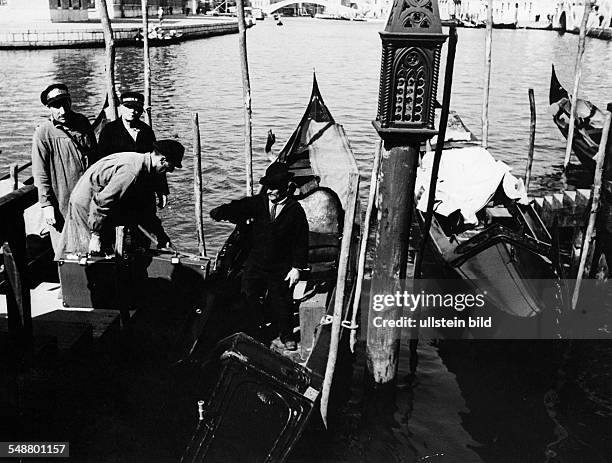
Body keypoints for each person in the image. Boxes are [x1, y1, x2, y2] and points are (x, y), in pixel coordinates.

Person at [210, 162, 309, 351]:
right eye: (268, 187)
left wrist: (297, 268)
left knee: (282, 301)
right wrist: (220, 212)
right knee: (248, 296)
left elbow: (300, 241)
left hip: (281, 266)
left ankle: (286, 334)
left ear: (286, 187)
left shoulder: (295, 210)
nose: (270, 191)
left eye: (275, 188)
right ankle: (253, 331)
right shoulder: (258, 202)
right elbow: (238, 207)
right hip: (256, 262)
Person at [57, 140, 184, 259]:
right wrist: (96, 234)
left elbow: (144, 209)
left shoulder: (143, 166)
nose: (168, 172)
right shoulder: (132, 172)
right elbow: (103, 201)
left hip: (98, 201)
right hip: (88, 203)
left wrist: (161, 236)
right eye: (169, 168)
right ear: (163, 160)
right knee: (92, 253)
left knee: (107, 249)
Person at [32, 83, 98, 255]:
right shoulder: (43, 133)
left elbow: (96, 159)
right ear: (49, 108)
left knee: (92, 245)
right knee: (66, 250)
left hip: (88, 198)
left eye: (64, 104)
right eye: (56, 106)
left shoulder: (83, 123)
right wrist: (46, 205)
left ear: (70, 101)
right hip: (62, 201)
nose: (62, 110)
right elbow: (40, 174)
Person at [97, 91, 169, 208]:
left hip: (144, 191)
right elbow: (101, 163)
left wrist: (162, 190)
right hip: (119, 189)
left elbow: (157, 161)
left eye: (136, 108)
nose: (132, 111)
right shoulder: (109, 131)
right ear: (120, 107)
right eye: (128, 107)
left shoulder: (147, 131)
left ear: (141, 110)